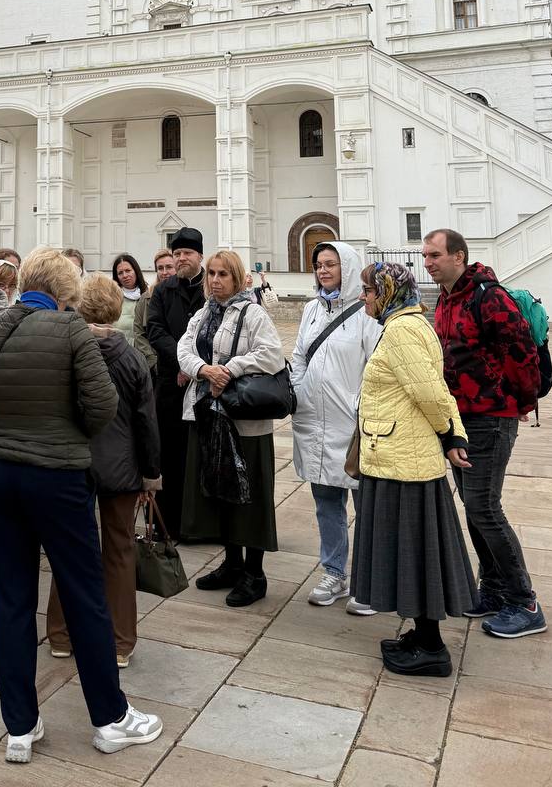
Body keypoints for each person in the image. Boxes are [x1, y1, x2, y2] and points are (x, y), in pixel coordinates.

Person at [0, 247, 162, 763]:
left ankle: (19, 727)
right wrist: (66, 433)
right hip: (58, 478)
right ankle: (110, 718)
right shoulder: (70, 333)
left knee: (14, 599)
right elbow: (103, 406)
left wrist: (4, 422)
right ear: (66, 293)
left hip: (2, 475)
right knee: (84, 593)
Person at [352, 261, 476, 678]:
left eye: (368, 290)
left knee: (414, 550)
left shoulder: (403, 330)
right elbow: (434, 389)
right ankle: (423, 637)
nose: (364, 297)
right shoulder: (406, 323)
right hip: (400, 454)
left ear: (386, 292)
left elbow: (428, 392)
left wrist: (451, 435)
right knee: (414, 549)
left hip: (402, 461)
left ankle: (432, 646)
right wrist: (452, 434)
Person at [423, 228, 546, 639]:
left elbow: (523, 352)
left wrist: (518, 403)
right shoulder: (446, 297)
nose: (428, 262)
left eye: (435, 255)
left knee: (484, 507)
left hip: (490, 417)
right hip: (458, 420)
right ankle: (492, 589)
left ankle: (524, 602)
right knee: (474, 508)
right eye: (425, 256)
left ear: (459, 256)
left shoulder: (488, 297)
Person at [46, 273, 161, 668]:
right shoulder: (132, 358)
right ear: (116, 309)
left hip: (72, 462)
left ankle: (61, 635)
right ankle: (120, 642)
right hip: (121, 467)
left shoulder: (66, 351)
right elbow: (146, 421)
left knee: (68, 549)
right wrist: (150, 474)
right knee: (119, 551)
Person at [178, 249, 283, 607]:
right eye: (211, 273)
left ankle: (255, 573)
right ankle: (232, 564)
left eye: (223, 274)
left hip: (244, 421)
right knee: (221, 490)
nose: (215, 280)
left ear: (237, 278)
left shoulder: (253, 313)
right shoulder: (204, 313)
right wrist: (205, 370)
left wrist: (231, 368)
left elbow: (271, 354)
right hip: (210, 414)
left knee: (249, 495)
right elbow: (184, 349)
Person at [291, 241, 382, 613]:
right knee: (326, 503)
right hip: (314, 421)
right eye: (318, 264)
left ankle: (369, 580)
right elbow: (298, 355)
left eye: (331, 264)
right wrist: (299, 390)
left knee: (366, 505)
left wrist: (361, 407)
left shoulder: (366, 312)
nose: (324, 270)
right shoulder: (312, 309)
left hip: (352, 425)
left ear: (347, 267)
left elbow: (376, 364)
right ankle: (334, 572)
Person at [146, 228, 206, 537]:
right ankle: (165, 523)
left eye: (187, 253)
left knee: (200, 454)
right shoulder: (163, 290)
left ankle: (199, 524)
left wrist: (196, 367)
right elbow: (155, 329)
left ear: (199, 256)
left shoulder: (211, 287)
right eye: (177, 253)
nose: (181, 258)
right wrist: (182, 363)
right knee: (168, 453)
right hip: (171, 382)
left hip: (205, 383)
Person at [133, 248, 174, 373]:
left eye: (169, 267)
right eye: (160, 268)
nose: (164, 272)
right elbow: (139, 333)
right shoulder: (146, 298)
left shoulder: (184, 296)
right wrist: (152, 361)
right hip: (154, 366)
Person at [110, 254, 148, 347]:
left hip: (143, 352)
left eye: (128, 271)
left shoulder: (148, 295)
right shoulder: (111, 298)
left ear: (136, 271)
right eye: (120, 273)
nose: (125, 275)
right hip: (118, 351)